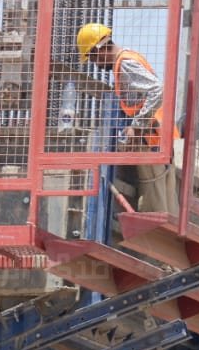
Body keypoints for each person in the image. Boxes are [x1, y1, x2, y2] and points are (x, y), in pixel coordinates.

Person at [76, 22, 179, 214]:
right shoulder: (128, 59)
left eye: (92, 58)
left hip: (152, 139)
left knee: (154, 205)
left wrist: (137, 126)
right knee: (167, 205)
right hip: (159, 138)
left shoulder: (125, 63)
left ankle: (154, 233)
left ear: (99, 50)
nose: (95, 64)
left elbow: (158, 90)